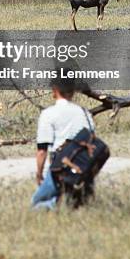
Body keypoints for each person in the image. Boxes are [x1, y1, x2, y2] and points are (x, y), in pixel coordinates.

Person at [31, 79, 95, 210]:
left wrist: (39, 173)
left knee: (37, 202)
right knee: (76, 202)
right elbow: (92, 140)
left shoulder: (48, 114)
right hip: (83, 163)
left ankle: (55, 207)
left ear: (54, 90)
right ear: (73, 91)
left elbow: (42, 150)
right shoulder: (84, 113)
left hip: (61, 163)